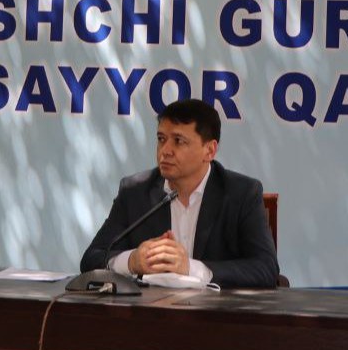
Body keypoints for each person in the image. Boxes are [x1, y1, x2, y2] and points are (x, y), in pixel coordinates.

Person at [79, 99, 279, 289]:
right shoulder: (134, 192)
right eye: (161, 139)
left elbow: (266, 269)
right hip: (152, 310)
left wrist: (191, 268)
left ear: (209, 151)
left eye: (178, 141)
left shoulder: (241, 194)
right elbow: (91, 259)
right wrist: (131, 261)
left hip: (216, 311)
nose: (165, 151)